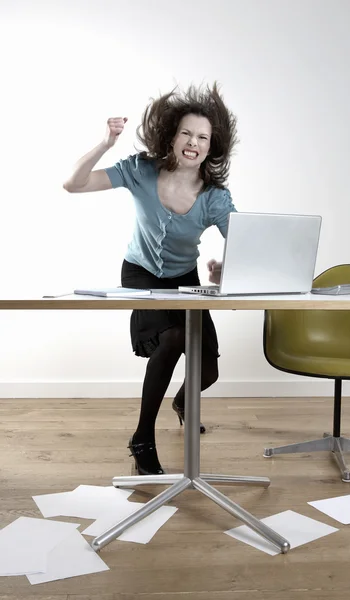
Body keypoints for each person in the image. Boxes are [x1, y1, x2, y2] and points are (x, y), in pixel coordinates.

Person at [63, 83, 238, 475]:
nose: (193, 142)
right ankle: (142, 437)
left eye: (203, 137)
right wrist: (105, 143)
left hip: (183, 278)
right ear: (173, 136)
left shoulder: (214, 197)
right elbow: (73, 183)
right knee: (173, 339)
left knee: (207, 372)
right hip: (140, 274)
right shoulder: (140, 170)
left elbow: (246, 248)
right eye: (186, 133)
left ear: (212, 147)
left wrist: (223, 270)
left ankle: (182, 403)